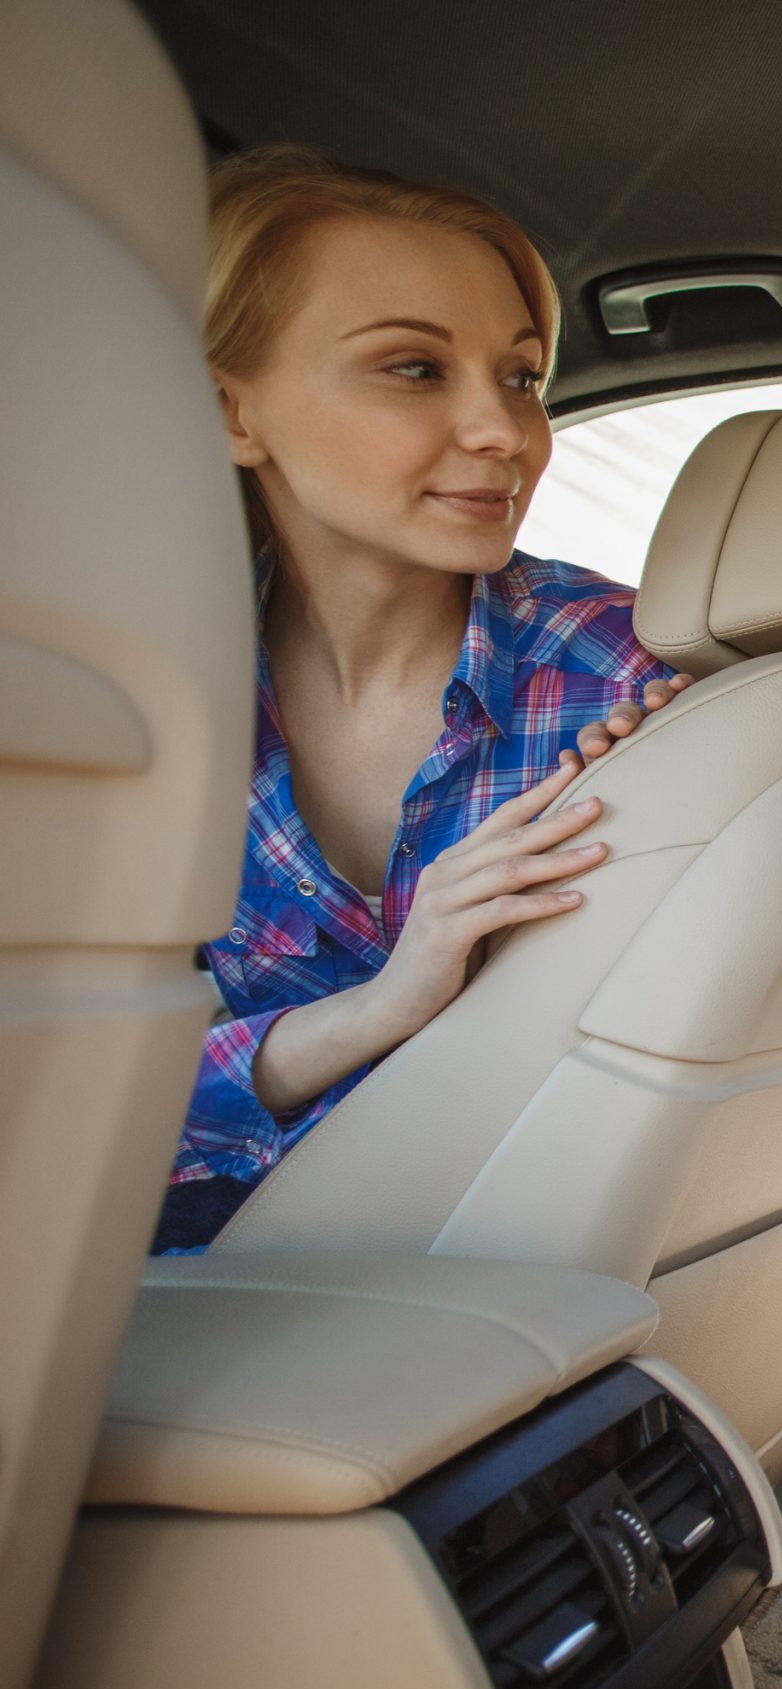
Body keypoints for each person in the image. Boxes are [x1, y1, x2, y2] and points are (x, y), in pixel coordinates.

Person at [157, 146, 687, 1254]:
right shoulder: (145, 698)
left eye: (521, 375)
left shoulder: (631, 691)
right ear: (229, 411)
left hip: (453, 1340)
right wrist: (374, 1013)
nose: (507, 432)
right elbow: (67, 1096)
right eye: (413, 369)